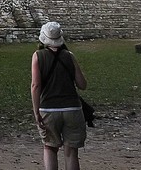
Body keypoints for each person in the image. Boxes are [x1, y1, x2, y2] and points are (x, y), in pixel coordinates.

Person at [31, 21, 88, 170]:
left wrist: (36, 111)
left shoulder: (38, 56)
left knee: (50, 148)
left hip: (49, 109)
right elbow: (82, 84)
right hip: (73, 109)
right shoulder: (69, 56)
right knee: (71, 152)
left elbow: (36, 85)